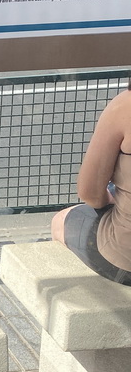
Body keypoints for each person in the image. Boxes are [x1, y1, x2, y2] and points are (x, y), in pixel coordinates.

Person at [51, 81, 131, 284]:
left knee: (60, 221)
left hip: (125, 257)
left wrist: (108, 198)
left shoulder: (124, 106)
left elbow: (90, 193)